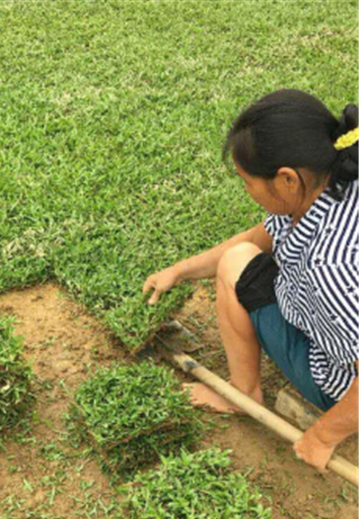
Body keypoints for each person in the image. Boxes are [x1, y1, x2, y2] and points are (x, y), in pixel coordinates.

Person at [143, 89, 358, 473]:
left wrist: (323, 436)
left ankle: (242, 394)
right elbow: (259, 237)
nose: (246, 191)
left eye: (247, 181)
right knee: (240, 254)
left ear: (287, 180)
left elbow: (245, 252)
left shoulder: (330, 267)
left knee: (234, 265)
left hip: (340, 386)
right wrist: (180, 270)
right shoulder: (335, 181)